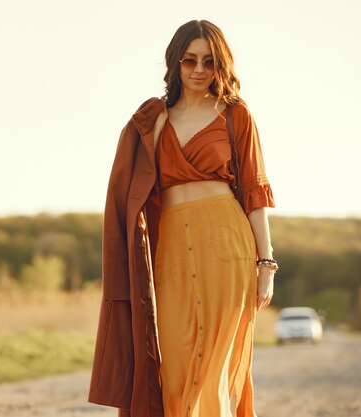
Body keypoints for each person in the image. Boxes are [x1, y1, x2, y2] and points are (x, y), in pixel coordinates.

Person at [87, 19, 277, 417]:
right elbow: (129, 192)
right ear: (175, 64)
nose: (199, 70)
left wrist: (266, 263)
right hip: (169, 250)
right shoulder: (153, 120)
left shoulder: (236, 116)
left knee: (214, 364)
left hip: (227, 247)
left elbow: (256, 193)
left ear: (220, 65)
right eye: (189, 61)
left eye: (209, 62)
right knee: (172, 365)